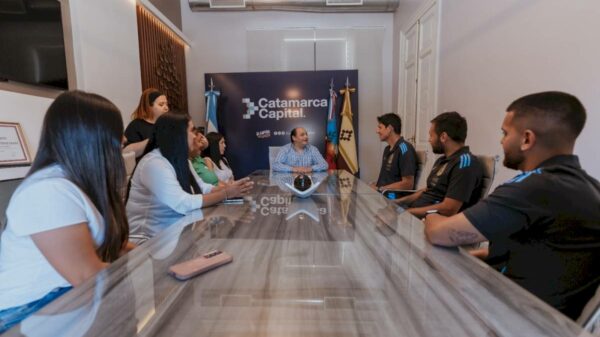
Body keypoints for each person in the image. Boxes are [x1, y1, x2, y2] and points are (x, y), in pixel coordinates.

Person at [423, 91, 600, 320]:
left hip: (515, 318)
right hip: (544, 317)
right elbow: (529, 250)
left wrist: (432, 216)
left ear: (527, 139)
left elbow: (439, 233)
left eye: (505, 133)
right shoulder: (587, 186)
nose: (501, 141)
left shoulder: (535, 187)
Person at [0, 91, 131, 332]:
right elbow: (86, 276)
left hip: (63, 305)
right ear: (91, 137)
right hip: (26, 316)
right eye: (116, 132)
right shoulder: (48, 191)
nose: (123, 140)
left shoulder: (72, 183)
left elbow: (109, 248)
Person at [126, 113, 253, 243]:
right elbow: (183, 203)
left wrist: (231, 188)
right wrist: (226, 193)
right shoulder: (154, 163)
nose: (196, 136)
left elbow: (202, 188)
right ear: (177, 135)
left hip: (174, 233)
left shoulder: (181, 160)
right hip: (147, 242)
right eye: (192, 130)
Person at [395, 112, 484, 218]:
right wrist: (398, 202)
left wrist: (407, 212)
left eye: (431, 135)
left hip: (431, 223)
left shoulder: (465, 164)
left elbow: (449, 209)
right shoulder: (442, 160)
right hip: (414, 216)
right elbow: (428, 191)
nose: (429, 139)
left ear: (443, 137)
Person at [370, 113, 418, 191]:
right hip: (382, 194)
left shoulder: (405, 148)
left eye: (380, 127)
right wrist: (375, 185)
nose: (377, 131)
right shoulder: (387, 149)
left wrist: (379, 189)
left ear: (389, 128)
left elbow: (408, 184)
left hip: (391, 198)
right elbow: (387, 180)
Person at [123, 88, 169, 158]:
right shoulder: (136, 125)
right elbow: (125, 152)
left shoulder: (168, 124)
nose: (166, 108)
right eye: (161, 104)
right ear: (149, 107)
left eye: (166, 104)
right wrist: (151, 140)